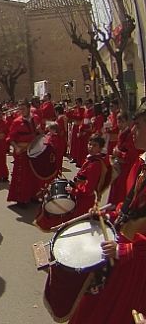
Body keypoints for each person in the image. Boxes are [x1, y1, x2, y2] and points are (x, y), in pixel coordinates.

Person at [65, 109, 146, 323]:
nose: (133, 131)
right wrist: (109, 214)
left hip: (138, 261)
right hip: (124, 250)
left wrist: (127, 250)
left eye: (138, 126)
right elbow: (130, 206)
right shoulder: (141, 163)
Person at [7, 100, 41, 205]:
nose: (21, 111)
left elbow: (40, 132)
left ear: (29, 108)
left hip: (34, 150)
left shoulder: (35, 119)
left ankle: (34, 195)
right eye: (20, 109)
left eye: (23, 108)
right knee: (22, 176)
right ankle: (21, 199)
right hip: (22, 152)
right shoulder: (17, 122)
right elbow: (10, 138)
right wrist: (16, 147)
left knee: (34, 175)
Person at [109, 111, 139, 205]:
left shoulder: (129, 135)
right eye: (118, 122)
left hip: (125, 167)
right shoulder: (121, 132)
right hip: (118, 165)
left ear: (126, 122)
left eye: (122, 122)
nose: (120, 124)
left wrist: (119, 153)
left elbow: (131, 154)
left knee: (121, 190)